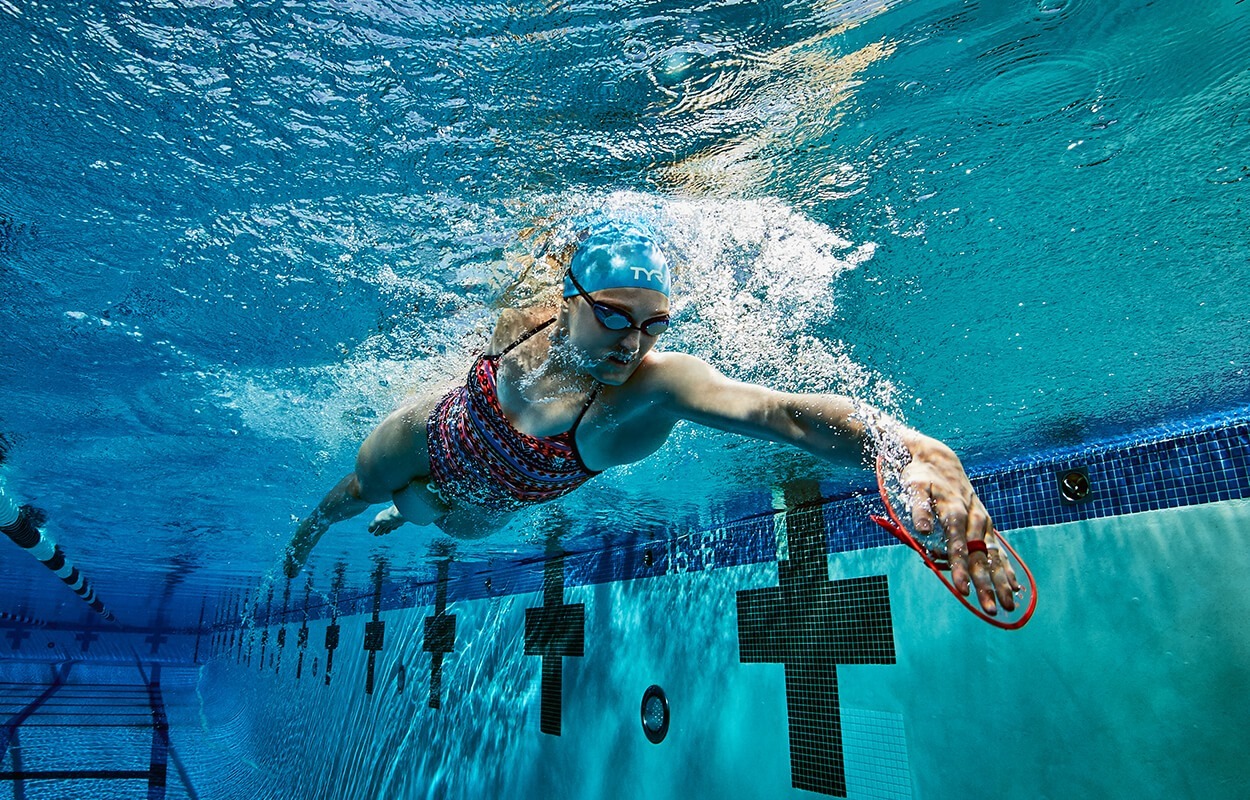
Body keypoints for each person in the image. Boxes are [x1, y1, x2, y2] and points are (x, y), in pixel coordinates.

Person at [284, 224, 1020, 614]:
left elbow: (779, 413)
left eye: (653, 324)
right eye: (613, 317)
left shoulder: (650, 389)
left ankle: (401, 516)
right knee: (360, 489)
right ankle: (313, 532)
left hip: (489, 500)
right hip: (436, 429)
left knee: (428, 514)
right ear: (569, 297)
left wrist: (911, 447)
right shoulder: (528, 314)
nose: (632, 343)